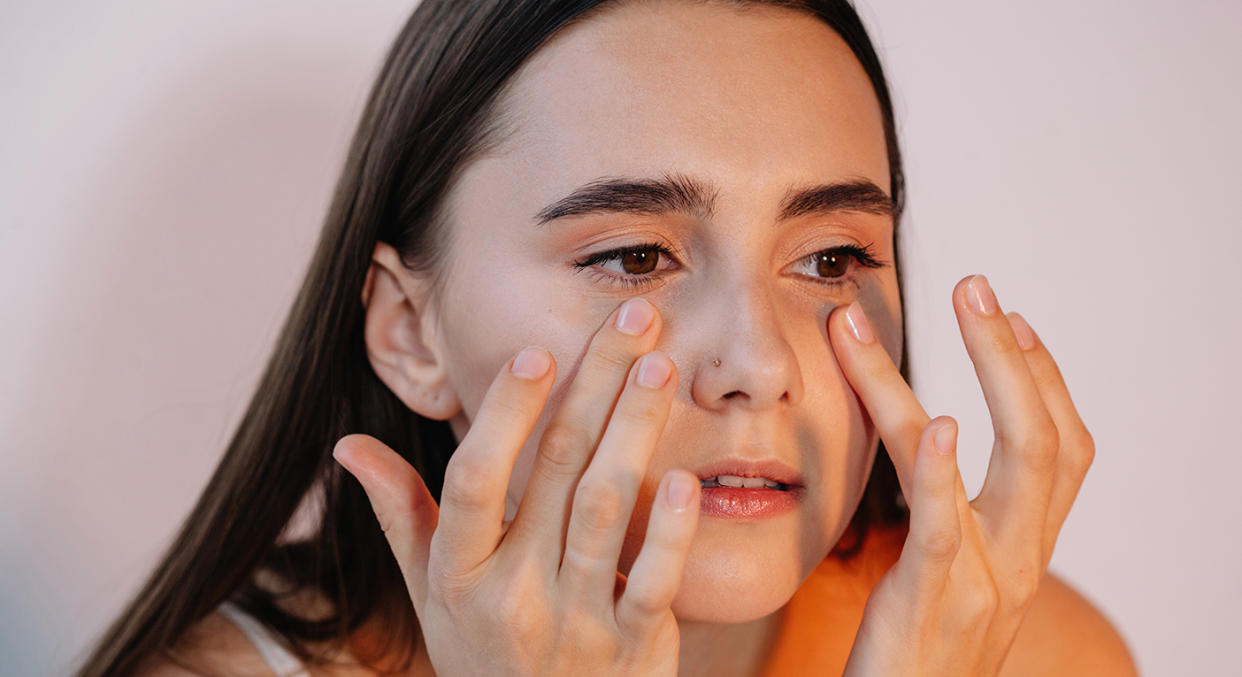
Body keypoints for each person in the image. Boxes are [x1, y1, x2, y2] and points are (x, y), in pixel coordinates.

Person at [72, 1, 1138, 675]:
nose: (760, 366)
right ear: (410, 331)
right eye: (635, 258)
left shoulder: (1028, 651)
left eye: (829, 260)